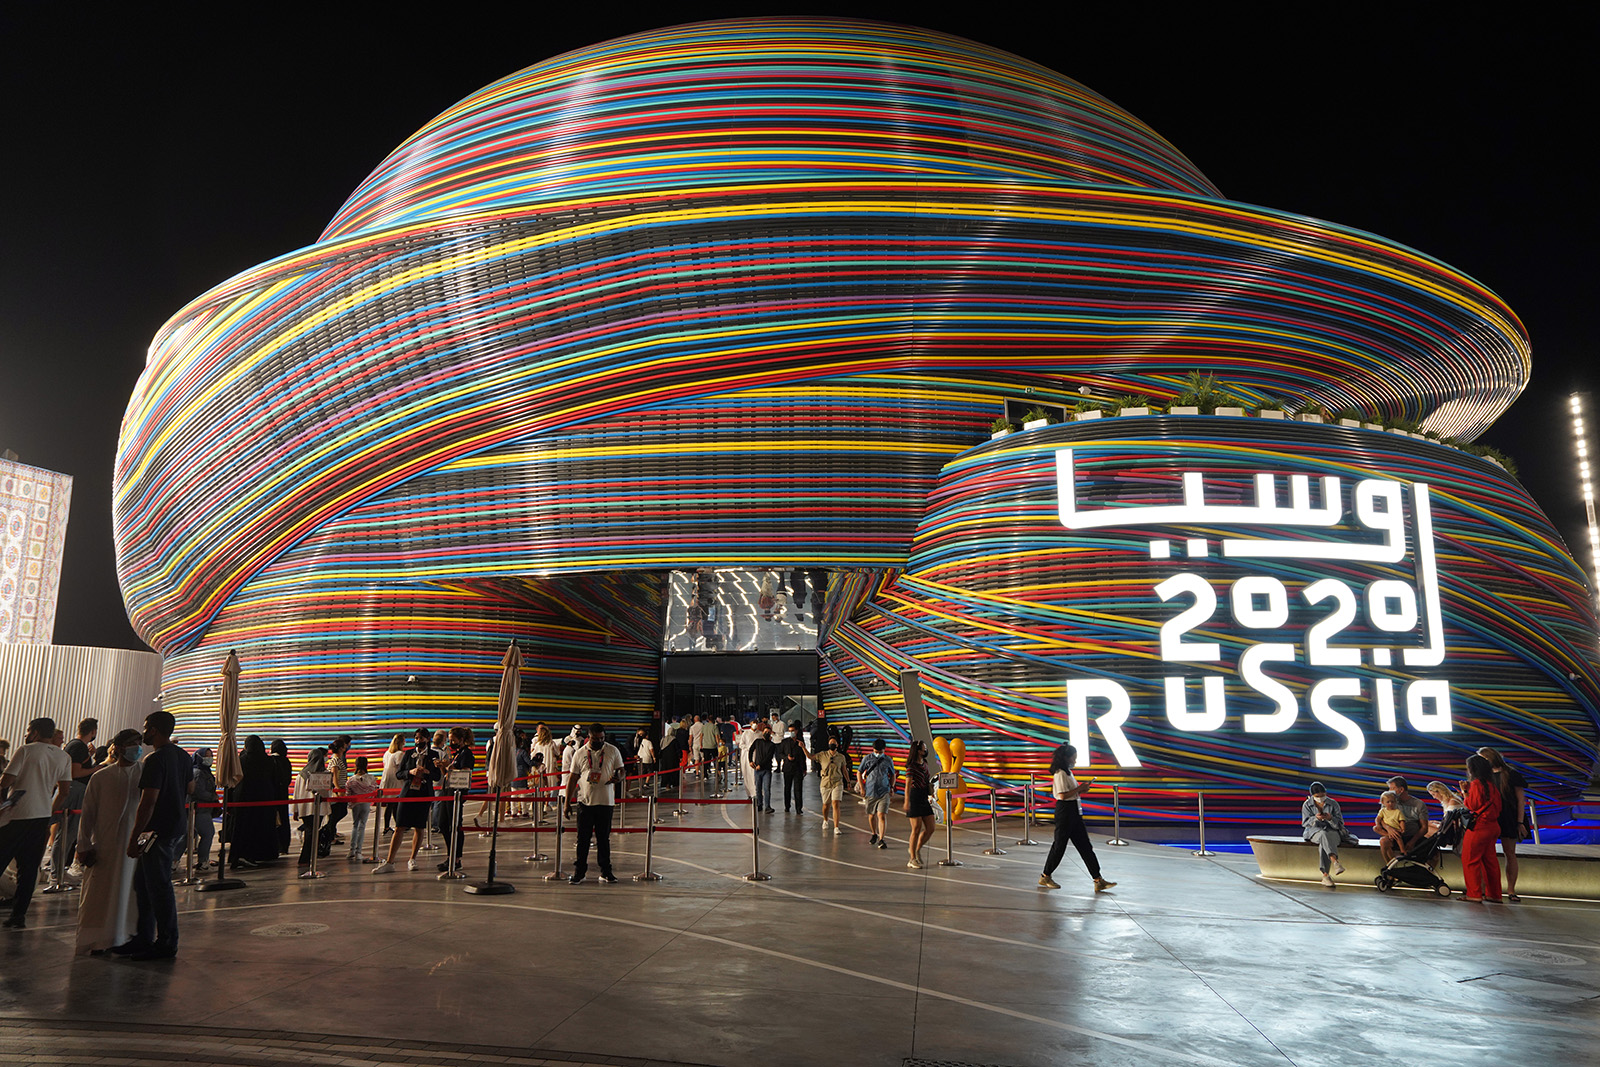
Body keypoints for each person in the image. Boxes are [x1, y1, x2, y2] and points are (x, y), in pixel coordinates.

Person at [119, 710, 188, 960]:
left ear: (155, 731)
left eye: (147, 728)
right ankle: (143, 936)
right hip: (176, 826)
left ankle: (166, 942)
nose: (144, 732)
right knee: (144, 884)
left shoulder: (155, 760)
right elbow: (189, 788)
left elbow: (148, 801)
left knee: (158, 887)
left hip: (157, 831)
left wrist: (134, 837)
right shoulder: (183, 757)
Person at [74, 729, 143, 954]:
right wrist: (83, 845)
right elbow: (88, 814)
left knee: (129, 894)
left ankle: (125, 938)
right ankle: (97, 940)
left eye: (139, 744)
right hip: (104, 845)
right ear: (121, 747)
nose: (137, 748)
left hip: (133, 847)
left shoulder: (145, 774)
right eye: (133, 744)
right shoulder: (101, 776)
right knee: (99, 896)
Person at [0, 717, 72, 929]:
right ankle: (18, 915)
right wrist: (49, 811)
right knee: (29, 868)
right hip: (41, 817)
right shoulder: (63, 756)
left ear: (36, 732)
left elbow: (7, 781)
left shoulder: (26, 750)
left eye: (29, 730)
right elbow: (65, 790)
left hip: (17, 815)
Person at [1038, 742, 1116, 892]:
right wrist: (1080, 788)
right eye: (1074, 758)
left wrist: (1081, 789)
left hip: (1074, 811)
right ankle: (1045, 875)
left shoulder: (1068, 772)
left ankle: (1098, 879)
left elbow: (1071, 792)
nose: (1075, 761)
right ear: (1066, 758)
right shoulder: (1060, 773)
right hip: (1065, 812)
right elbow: (1061, 795)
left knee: (1085, 846)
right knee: (1059, 846)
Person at [374, 728, 439, 874]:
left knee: (419, 827)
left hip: (424, 794)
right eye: (416, 738)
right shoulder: (408, 754)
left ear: (427, 739)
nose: (418, 741)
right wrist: (410, 772)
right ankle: (390, 861)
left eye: (421, 738)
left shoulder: (434, 755)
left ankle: (412, 859)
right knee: (400, 826)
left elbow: (436, 776)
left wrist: (427, 772)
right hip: (408, 792)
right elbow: (399, 773)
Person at [565, 723, 623, 884]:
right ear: (588, 737)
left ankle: (606, 871)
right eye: (596, 738)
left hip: (606, 802)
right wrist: (567, 803)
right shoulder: (579, 753)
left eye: (602, 738)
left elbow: (622, 769)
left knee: (603, 839)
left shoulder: (612, 750)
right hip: (585, 802)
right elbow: (573, 778)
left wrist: (620, 777)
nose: (599, 741)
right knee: (583, 839)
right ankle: (579, 872)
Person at [1478, 746, 1529, 902]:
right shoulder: (1483, 777)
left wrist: (1520, 822)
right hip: (1491, 817)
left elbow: (1521, 800)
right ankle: (1487, 889)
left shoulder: (1511, 774)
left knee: (1509, 853)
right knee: (1487, 854)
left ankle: (1511, 889)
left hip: (1509, 817)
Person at [227, 735, 281, 867]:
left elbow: (233, 782)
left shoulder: (242, 761)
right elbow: (275, 781)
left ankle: (242, 854)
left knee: (244, 827)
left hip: (244, 799)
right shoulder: (269, 761)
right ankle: (263, 853)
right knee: (262, 826)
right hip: (265, 798)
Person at [1458, 753, 1504, 903]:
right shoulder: (1492, 785)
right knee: (1490, 861)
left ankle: (1474, 894)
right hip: (1493, 826)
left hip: (1479, 827)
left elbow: (1472, 805)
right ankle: (1494, 894)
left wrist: (1465, 792)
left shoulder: (1476, 784)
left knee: (1470, 860)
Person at [61, 717, 98, 878]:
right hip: (75, 790)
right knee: (68, 833)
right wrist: (96, 768)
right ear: (92, 731)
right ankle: (59, 872)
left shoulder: (76, 746)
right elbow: (75, 772)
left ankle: (60, 870)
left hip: (73, 789)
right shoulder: (78, 746)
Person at [436, 727, 475, 874]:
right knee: (443, 824)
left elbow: (464, 774)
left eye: (453, 740)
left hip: (457, 794)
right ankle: (450, 854)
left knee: (455, 826)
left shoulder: (466, 754)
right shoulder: (457, 754)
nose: (451, 743)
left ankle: (456, 857)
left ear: (462, 740)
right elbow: (448, 775)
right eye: (450, 740)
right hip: (448, 791)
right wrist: (443, 767)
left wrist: (451, 767)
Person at [1301, 782, 1352, 886]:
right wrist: (1315, 818)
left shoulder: (1333, 803)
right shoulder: (1307, 805)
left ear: (1326, 793)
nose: (1320, 798)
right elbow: (1305, 823)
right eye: (1317, 796)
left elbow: (1340, 823)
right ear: (1312, 795)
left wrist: (1330, 818)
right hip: (1314, 832)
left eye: (1322, 795)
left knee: (1324, 841)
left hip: (1333, 831)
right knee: (1323, 834)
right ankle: (1335, 862)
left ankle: (1325, 875)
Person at [293, 747, 331, 867]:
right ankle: (305, 858)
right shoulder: (324, 774)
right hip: (319, 809)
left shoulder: (301, 775)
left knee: (310, 832)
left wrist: (295, 810)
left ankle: (308, 857)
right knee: (312, 833)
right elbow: (327, 793)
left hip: (304, 808)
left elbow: (296, 794)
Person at [902, 739, 935, 869]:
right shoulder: (911, 767)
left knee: (931, 827)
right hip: (914, 797)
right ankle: (912, 859)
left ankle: (915, 848)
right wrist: (906, 802)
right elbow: (907, 786)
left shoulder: (924, 763)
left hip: (924, 797)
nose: (925, 750)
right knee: (916, 828)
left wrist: (930, 794)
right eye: (923, 748)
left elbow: (927, 781)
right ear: (918, 751)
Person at [857, 738, 896, 849]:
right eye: (876, 752)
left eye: (880, 752)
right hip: (870, 791)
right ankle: (874, 833)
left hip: (884, 791)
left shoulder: (888, 760)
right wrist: (862, 787)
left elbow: (893, 774)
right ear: (873, 749)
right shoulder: (867, 759)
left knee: (881, 815)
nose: (878, 754)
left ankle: (881, 839)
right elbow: (859, 772)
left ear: (884, 750)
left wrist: (892, 787)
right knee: (871, 815)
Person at [815, 735, 850, 836]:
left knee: (836, 803)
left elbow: (844, 770)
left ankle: (836, 827)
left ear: (837, 745)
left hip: (837, 782)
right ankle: (825, 820)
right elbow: (811, 757)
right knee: (826, 805)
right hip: (825, 783)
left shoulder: (841, 757)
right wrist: (804, 747)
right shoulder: (823, 755)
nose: (832, 745)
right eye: (831, 743)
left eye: (834, 743)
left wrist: (848, 781)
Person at [345, 756, 378, 860]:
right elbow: (374, 790)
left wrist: (350, 803)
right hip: (366, 803)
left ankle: (352, 850)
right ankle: (359, 851)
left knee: (355, 825)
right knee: (362, 826)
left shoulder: (351, 780)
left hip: (355, 804)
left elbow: (348, 793)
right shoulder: (371, 778)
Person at [190, 748, 219, 868]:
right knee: (208, 833)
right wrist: (213, 797)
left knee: (186, 837)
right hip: (200, 809)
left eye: (211, 755)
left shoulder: (204, 772)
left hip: (202, 810)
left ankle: (174, 861)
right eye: (206, 756)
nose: (210, 758)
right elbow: (198, 791)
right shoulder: (198, 773)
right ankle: (203, 861)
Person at [779, 722, 810, 814]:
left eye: (793, 731)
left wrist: (804, 769)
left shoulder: (800, 742)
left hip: (798, 769)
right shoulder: (784, 742)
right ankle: (787, 806)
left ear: (796, 731)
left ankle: (798, 808)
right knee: (787, 788)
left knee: (798, 789)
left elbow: (803, 756)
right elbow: (780, 753)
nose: (791, 732)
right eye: (789, 731)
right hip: (787, 768)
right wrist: (786, 758)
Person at [268, 739, 293, 855]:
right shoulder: (286, 761)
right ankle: (284, 845)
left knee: (273, 820)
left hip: (272, 795)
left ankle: (275, 845)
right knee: (284, 819)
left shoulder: (270, 761)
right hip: (283, 795)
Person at [380, 733, 406, 835]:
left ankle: (392, 825)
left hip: (386, 779)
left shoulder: (387, 753)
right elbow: (401, 767)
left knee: (391, 804)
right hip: (395, 780)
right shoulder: (399, 754)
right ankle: (398, 825)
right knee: (394, 804)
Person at [748, 723, 776, 814]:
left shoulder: (772, 745)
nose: (767, 733)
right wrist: (750, 761)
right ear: (762, 732)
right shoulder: (757, 741)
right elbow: (751, 750)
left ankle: (767, 806)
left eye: (768, 732)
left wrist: (761, 765)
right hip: (757, 769)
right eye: (765, 732)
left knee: (766, 788)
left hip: (766, 769)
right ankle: (759, 804)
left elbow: (769, 757)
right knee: (758, 788)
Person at [1373, 791, 1407, 862]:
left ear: (1395, 802)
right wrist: (1378, 824)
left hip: (1396, 829)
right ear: (1383, 802)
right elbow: (1378, 818)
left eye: (1392, 802)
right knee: (1375, 828)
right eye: (1388, 802)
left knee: (1398, 838)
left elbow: (1401, 821)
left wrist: (1402, 828)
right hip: (1386, 830)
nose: (1390, 804)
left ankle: (1403, 851)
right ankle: (1389, 835)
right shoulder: (1382, 811)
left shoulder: (1397, 811)